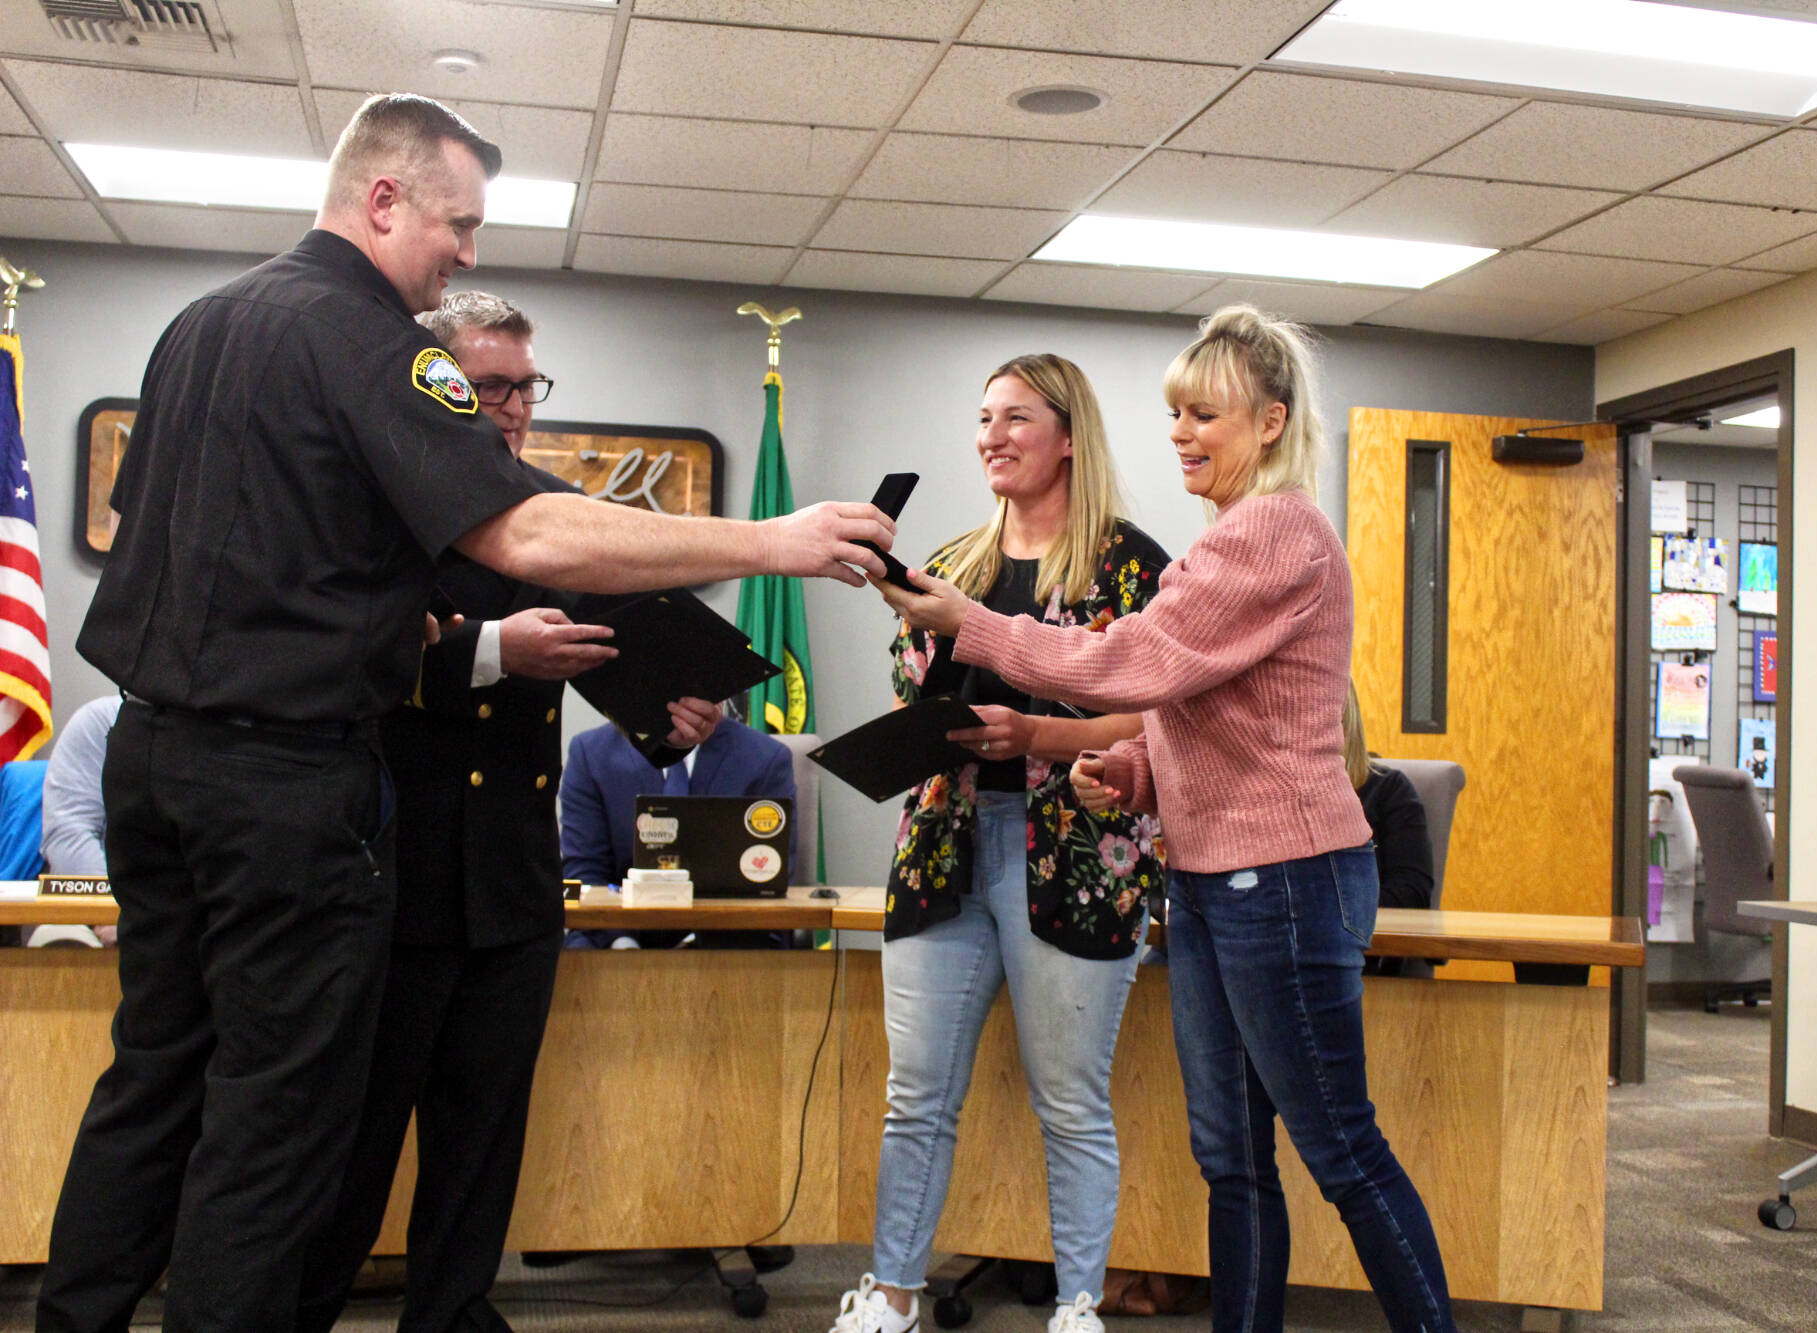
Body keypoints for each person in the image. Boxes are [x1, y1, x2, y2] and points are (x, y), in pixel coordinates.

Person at [40, 92, 893, 1333]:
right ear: (381, 200)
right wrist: (776, 539)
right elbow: (528, 526)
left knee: (153, 1084)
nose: (466, 253)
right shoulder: (377, 343)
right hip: (286, 784)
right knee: (271, 1130)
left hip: (158, 759)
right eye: (458, 222)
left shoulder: (201, 324)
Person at [877, 307, 1457, 1333]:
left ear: (1271, 422)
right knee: (1229, 1159)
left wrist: (969, 621)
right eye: (1174, 414)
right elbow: (1198, 711)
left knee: (1339, 1150)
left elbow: (1130, 662)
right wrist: (1138, 772)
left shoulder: (1275, 530)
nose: (1182, 432)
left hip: (1281, 877)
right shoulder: (1227, 537)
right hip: (1211, 877)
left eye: (1205, 415)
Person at [295, 290, 720, 1333]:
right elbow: (335, 663)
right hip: (390, 878)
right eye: (487, 386)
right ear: (432, 387)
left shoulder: (546, 513)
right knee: (350, 1139)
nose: (512, 406)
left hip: (511, 885)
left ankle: (451, 1311)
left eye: (524, 385)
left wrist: (678, 713)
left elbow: (621, 648)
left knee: (481, 1133)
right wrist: (490, 654)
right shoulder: (378, 510)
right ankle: (294, 1310)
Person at [831, 355, 1171, 1333]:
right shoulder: (952, 563)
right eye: (982, 418)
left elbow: (1156, 724)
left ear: (1068, 436)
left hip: (1077, 857)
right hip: (942, 849)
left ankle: (1075, 1307)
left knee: (1067, 1099)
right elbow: (912, 699)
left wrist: (1038, 738)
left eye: (1015, 417)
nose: (990, 434)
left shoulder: (1131, 567)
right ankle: (890, 1292)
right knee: (915, 1094)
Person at [560, 712, 797, 950]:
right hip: (615, 936)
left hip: (726, 941)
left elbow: (769, 879)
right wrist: (622, 944)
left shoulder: (766, 758)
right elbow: (584, 872)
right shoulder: (592, 753)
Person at [1342, 681, 1435, 979]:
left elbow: (1412, 893)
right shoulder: (1266, 796)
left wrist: (1321, 911)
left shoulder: (1387, 790)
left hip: (1362, 963)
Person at [32, 695, 122, 949]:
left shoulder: (234, 732)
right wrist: (112, 912)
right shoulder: (102, 722)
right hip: (112, 908)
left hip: (209, 913)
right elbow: (68, 834)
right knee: (56, 940)